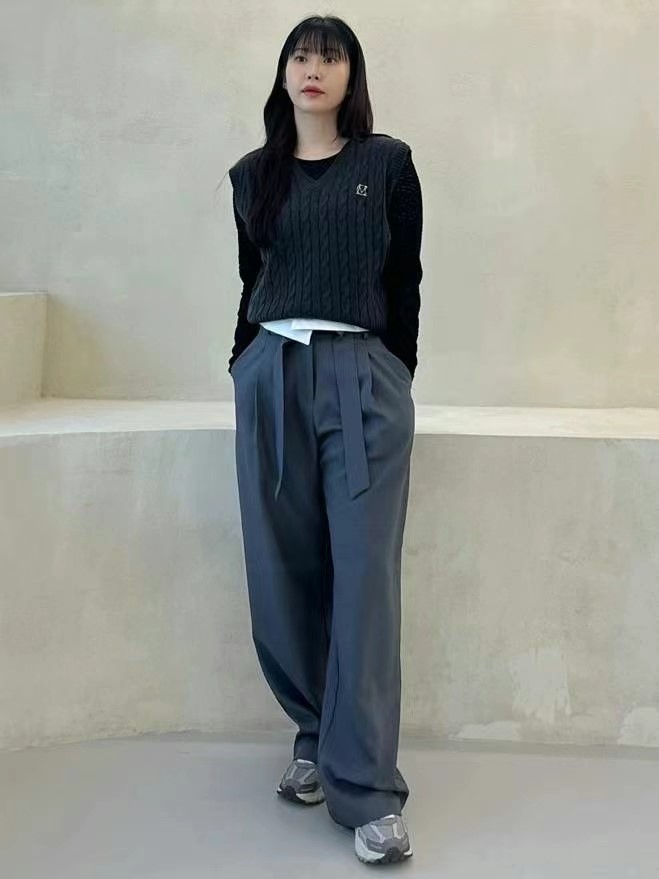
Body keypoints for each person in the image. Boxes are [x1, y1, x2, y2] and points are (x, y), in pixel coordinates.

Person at [225, 14, 422, 866]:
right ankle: (313, 732)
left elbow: (404, 279)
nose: (313, 68)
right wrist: (243, 365)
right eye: (300, 56)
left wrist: (393, 371)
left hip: (360, 374)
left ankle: (366, 789)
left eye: (330, 57)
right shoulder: (251, 175)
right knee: (282, 571)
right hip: (272, 370)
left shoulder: (386, 164)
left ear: (351, 76)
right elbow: (250, 280)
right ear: (283, 73)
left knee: (363, 578)